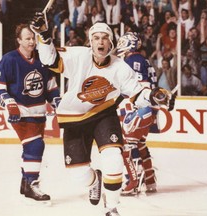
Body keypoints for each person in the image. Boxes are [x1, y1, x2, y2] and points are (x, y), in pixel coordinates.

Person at [30, 14, 175, 216]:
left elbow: (137, 93)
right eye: (96, 37)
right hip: (74, 118)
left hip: (103, 113)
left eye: (105, 37)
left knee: (114, 157)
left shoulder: (120, 67)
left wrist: (153, 96)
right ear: (90, 42)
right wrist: (44, 35)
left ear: (111, 43)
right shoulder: (78, 56)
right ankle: (95, 181)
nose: (101, 41)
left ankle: (112, 208)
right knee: (78, 175)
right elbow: (50, 59)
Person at [0, 24, 59, 203]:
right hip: (18, 113)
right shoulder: (9, 59)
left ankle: (26, 182)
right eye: (27, 38)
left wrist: (57, 103)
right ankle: (32, 183)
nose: (31, 41)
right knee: (36, 146)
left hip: (39, 114)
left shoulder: (42, 59)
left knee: (31, 148)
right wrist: (9, 103)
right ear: (18, 40)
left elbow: (50, 87)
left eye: (33, 38)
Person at [116, 32, 160, 195]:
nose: (119, 46)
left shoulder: (130, 61)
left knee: (127, 145)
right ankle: (149, 180)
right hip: (149, 109)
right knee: (140, 143)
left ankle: (132, 181)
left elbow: (139, 87)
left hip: (139, 108)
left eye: (122, 42)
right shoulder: (144, 60)